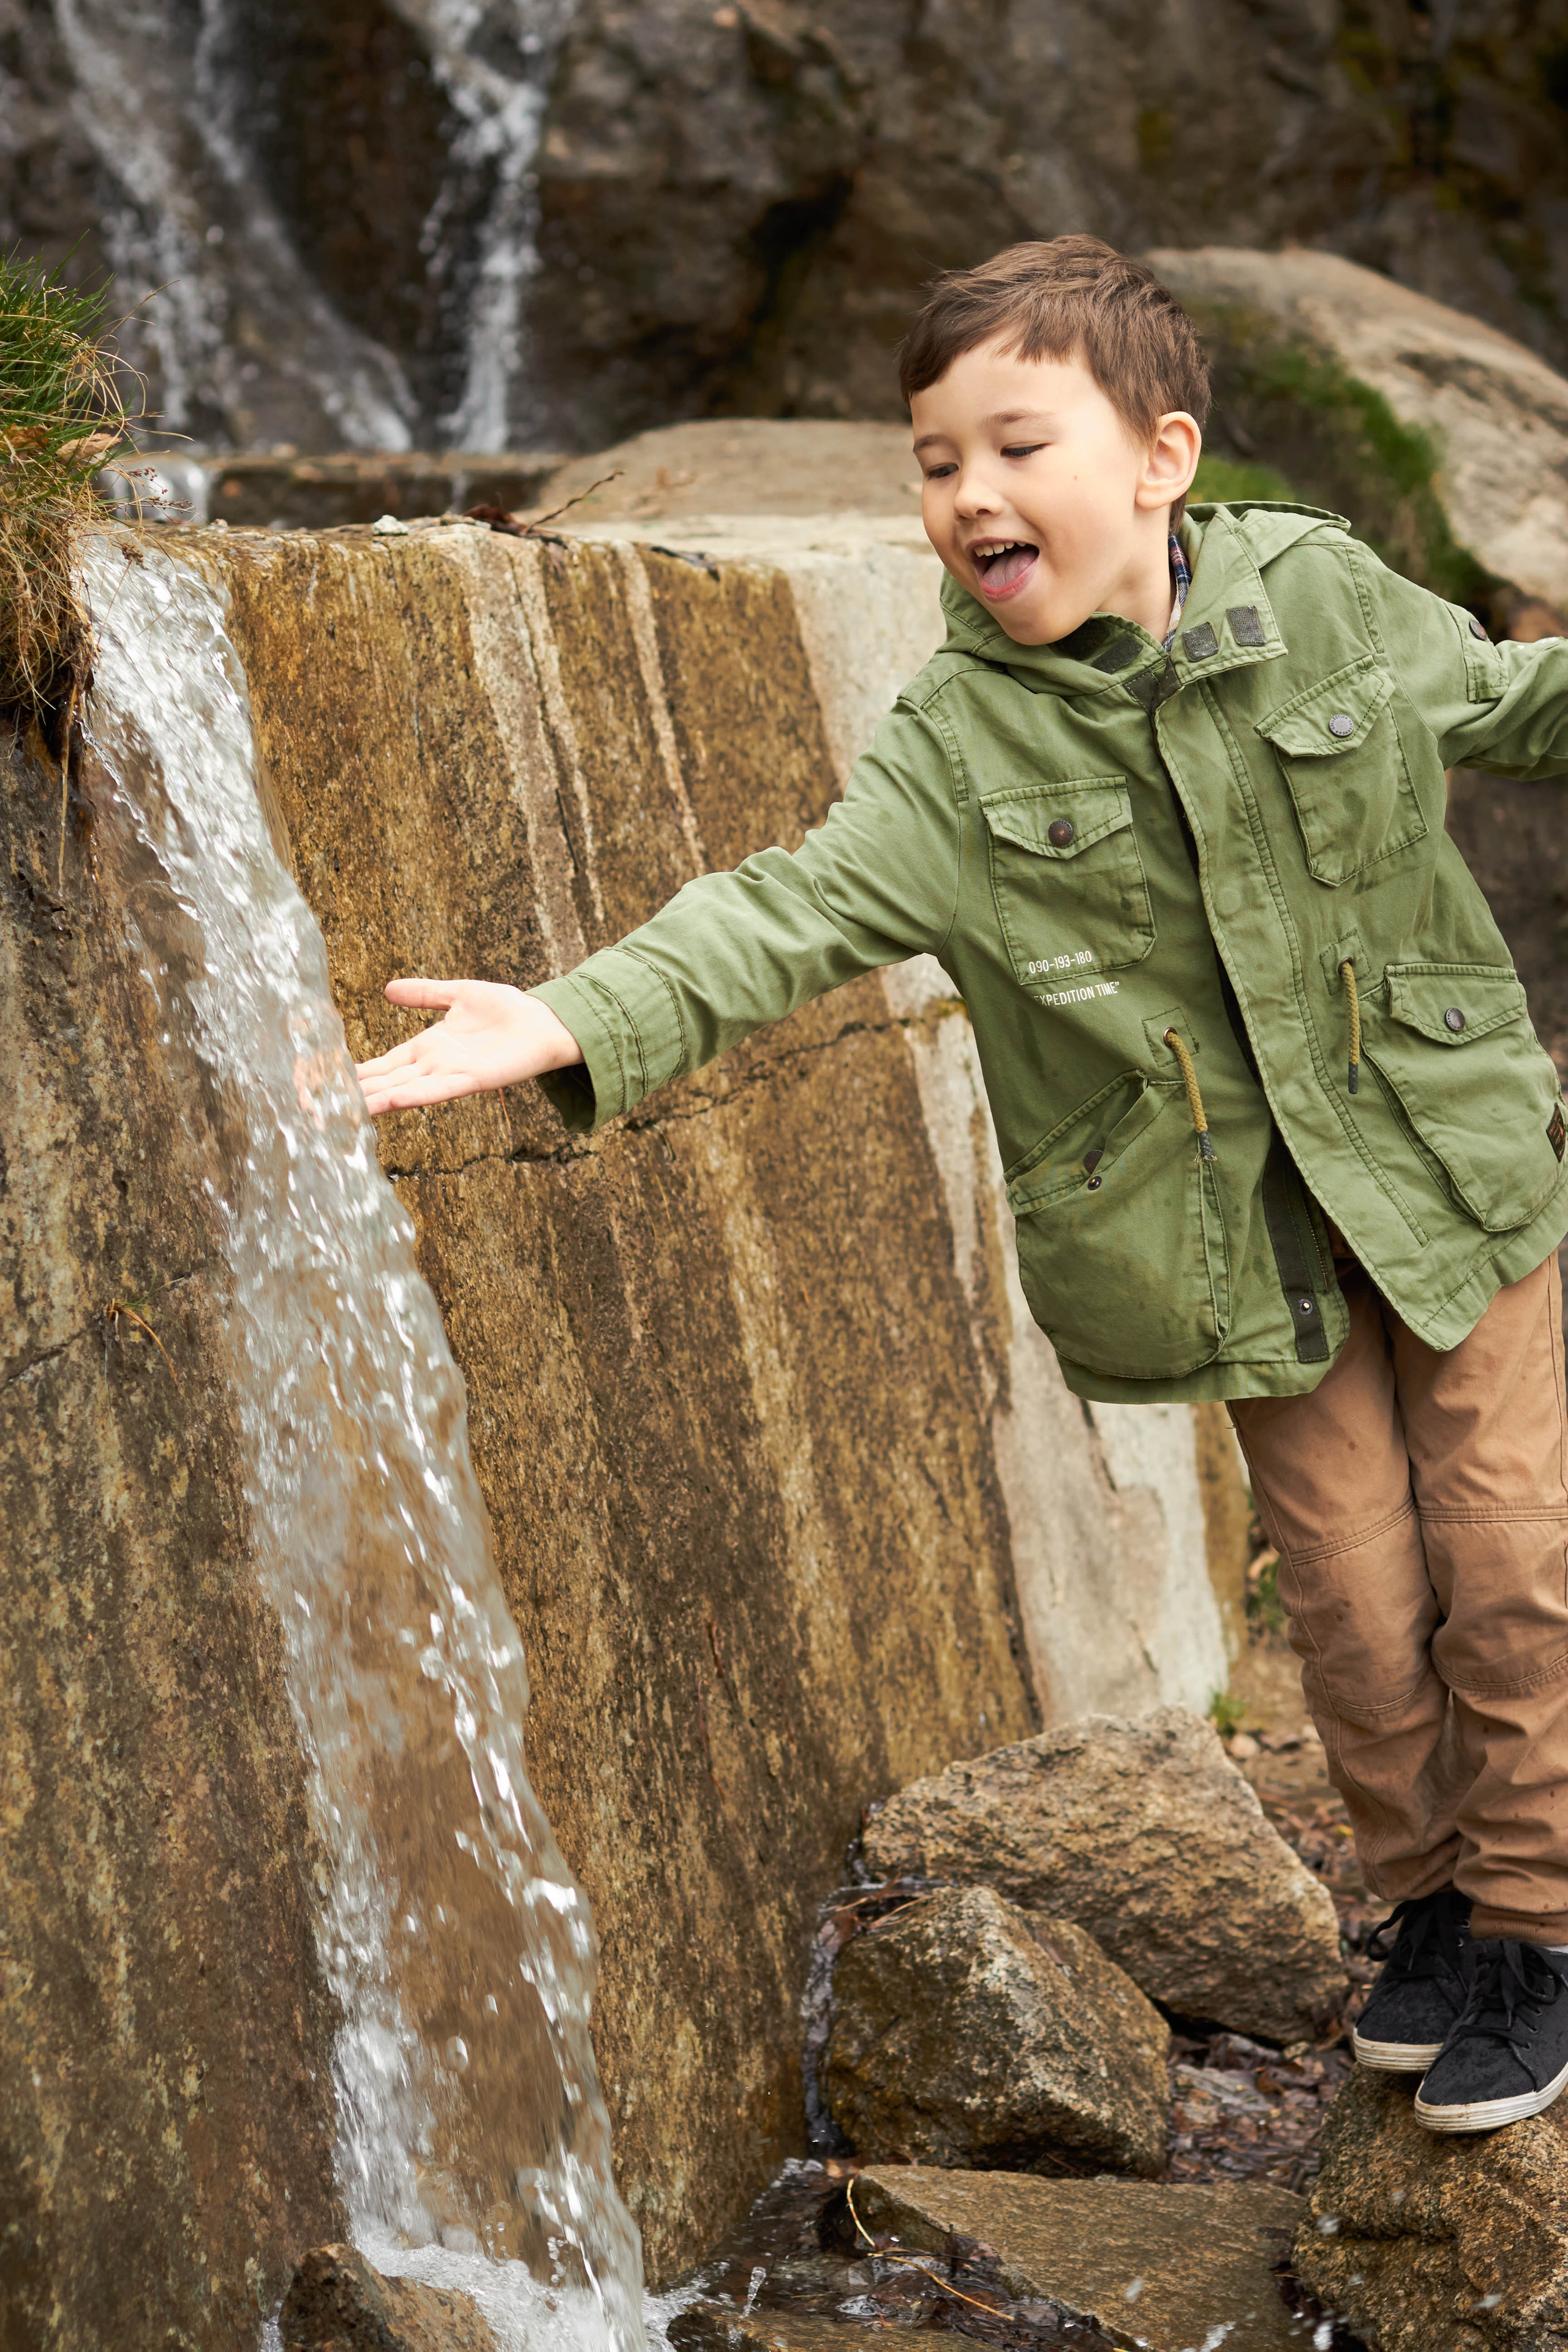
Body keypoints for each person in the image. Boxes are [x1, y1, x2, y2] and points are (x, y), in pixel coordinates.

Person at [355, 236, 1568, 2135]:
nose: (968, 494)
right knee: (1349, 1591)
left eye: (1014, 444)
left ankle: (1541, 1929)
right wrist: (576, 1014)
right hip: (1239, 1241)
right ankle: (1428, 1905)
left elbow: (1502, 705)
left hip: (1455, 1170)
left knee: (1517, 1564)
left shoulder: (1322, 595)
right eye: (933, 463)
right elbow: (790, 909)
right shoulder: (958, 744)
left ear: (1162, 457)